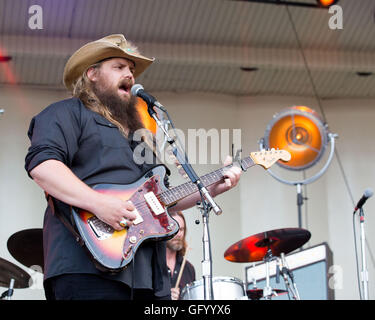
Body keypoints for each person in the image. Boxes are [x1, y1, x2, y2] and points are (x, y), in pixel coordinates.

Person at [24, 34, 241, 300]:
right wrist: (99, 204)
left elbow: (161, 201)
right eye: (119, 67)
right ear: (92, 73)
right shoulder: (66, 113)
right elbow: (43, 166)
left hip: (147, 277)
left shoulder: (138, 136)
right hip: (86, 268)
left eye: (131, 69)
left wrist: (214, 187)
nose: (130, 74)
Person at [166, 211, 195, 300]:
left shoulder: (189, 268)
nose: (179, 234)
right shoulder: (151, 265)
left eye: (181, 229)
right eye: (174, 228)